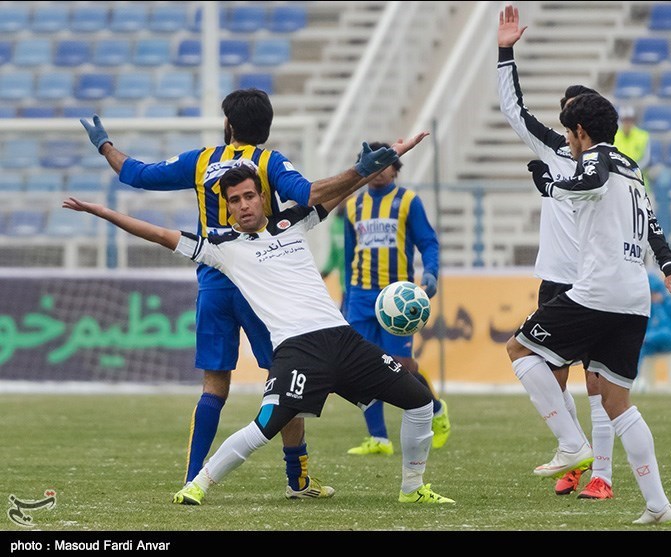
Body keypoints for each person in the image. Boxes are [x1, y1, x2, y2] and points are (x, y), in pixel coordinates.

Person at [65, 138, 454, 506]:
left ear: (262, 197)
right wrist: (101, 212)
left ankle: (412, 489)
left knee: (420, 402)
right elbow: (158, 234)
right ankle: (197, 486)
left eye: (249, 196)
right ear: (228, 209)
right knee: (264, 426)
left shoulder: (293, 222)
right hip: (298, 350)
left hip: (343, 340)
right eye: (235, 200)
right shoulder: (221, 249)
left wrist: (384, 158)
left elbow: (337, 192)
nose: (244, 205)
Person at [79, 89, 347, 499]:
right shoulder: (269, 162)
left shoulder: (201, 160)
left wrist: (105, 145)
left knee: (214, 386)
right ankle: (297, 479)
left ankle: (192, 478)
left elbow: (136, 174)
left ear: (229, 124)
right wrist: (359, 173)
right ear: (266, 126)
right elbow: (307, 193)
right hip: (262, 285)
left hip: (214, 282)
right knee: (285, 380)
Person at [497, 4, 671, 500]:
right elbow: (513, 110)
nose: (565, 131)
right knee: (567, 381)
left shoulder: (596, 162)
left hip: (595, 282)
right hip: (571, 277)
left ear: (582, 127)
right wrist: (505, 54)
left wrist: (551, 186)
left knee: (592, 385)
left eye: (571, 122)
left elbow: (592, 185)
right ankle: (589, 466)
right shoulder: (569, 151)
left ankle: (595, 467)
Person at [342, 142, 450, 456]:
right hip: (360, 295)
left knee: (401, 365)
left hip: (396, 298)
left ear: (395, 168)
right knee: (360, 367)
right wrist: (346, 296)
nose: (378, 169)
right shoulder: (353, 205)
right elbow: (349, 253)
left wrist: (431, 273)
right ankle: (378, 438)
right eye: (371, 163)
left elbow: (428, 242)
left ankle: (437, 409)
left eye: (385, 163)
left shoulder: (408, 201)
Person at [636, 272, 671, 393]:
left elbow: (669, 329)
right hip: (652, 342)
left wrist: (648, 337)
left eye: (653, 293)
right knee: (638, 347)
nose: (652, 296)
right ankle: (636, 379)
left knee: (662, 334)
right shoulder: (647, 306)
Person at [614, 105, 652, 193]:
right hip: (619, 181)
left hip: (639, 180)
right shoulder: (614, 136)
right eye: (624, 120)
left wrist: (632, 170)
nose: (627, 123)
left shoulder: (643, 136)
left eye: (630, 120)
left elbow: (646, 159)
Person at [320, 204, 348, 312]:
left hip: (359, 285)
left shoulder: (357, 218)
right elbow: (334, 254)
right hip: (344, 286)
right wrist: (324, 273)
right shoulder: (335, 223)